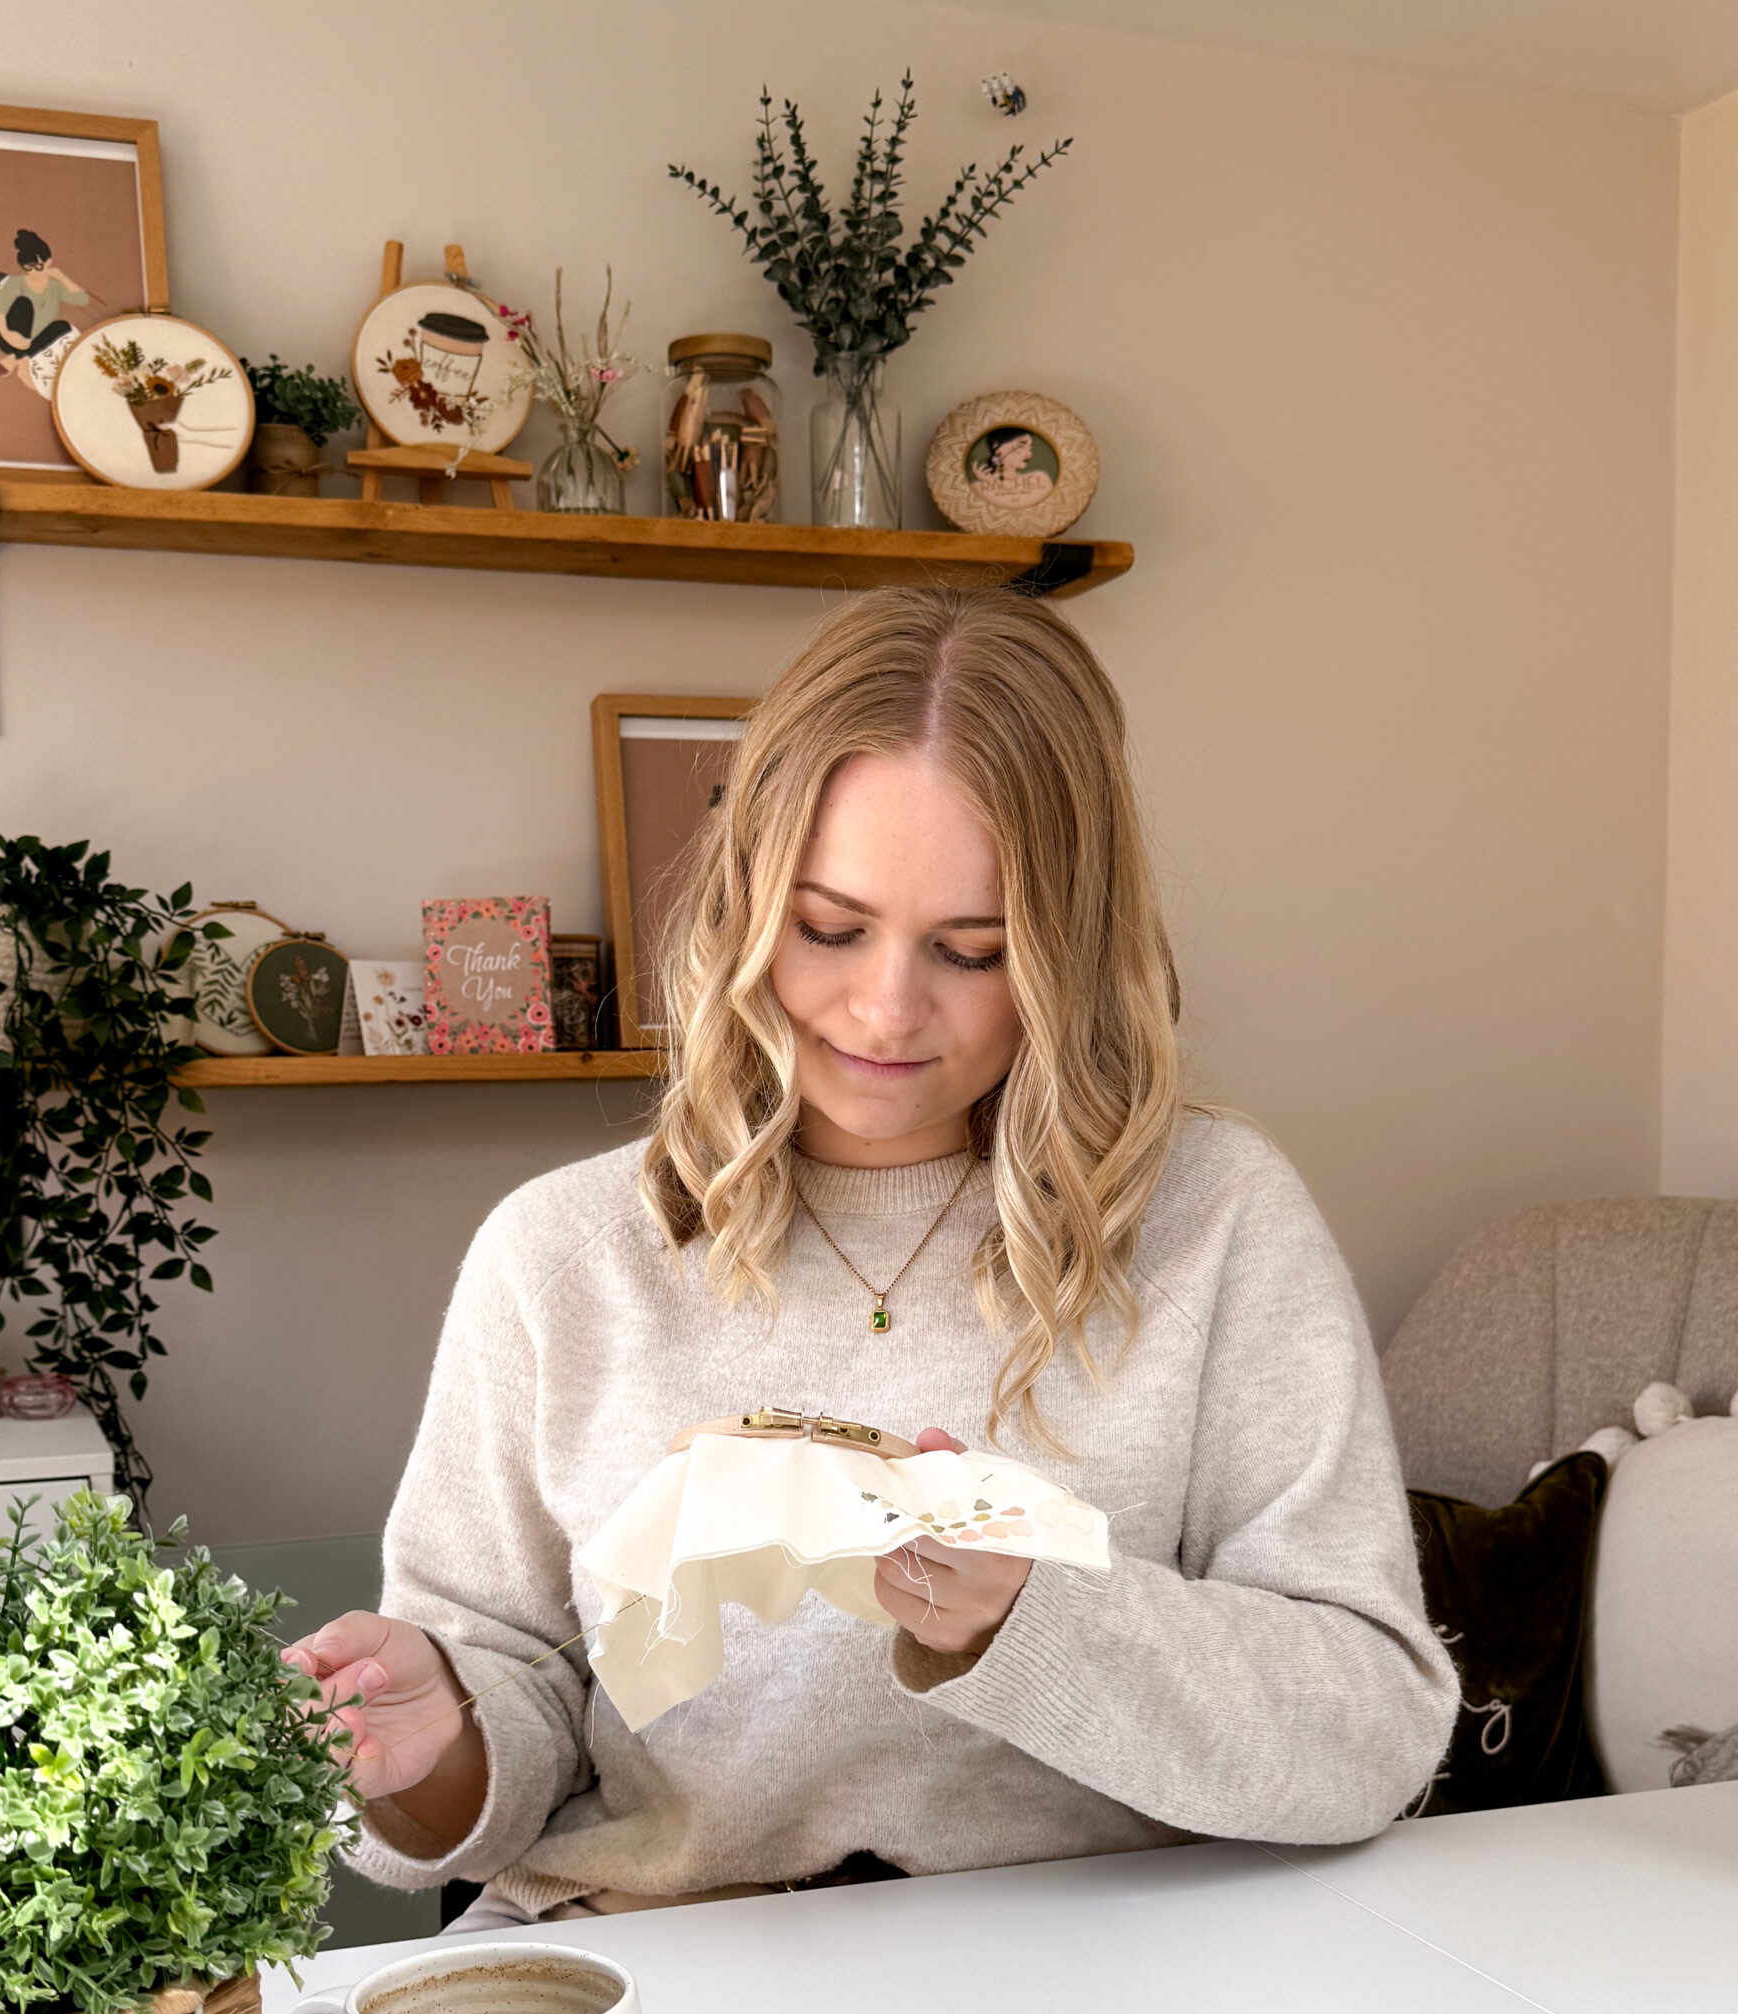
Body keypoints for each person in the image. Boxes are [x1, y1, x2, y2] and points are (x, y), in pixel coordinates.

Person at [289, 589, 1456, 1930]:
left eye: (974, 951)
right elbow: (494, 1741)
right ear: (741, 907)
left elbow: (1368, 1730)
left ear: (1071, 960)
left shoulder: (1219, 1220)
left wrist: (1037, 1627)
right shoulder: (563, 1255)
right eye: (830, 929)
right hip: (663, 1963)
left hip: (1097, 1986)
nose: (888, 1011)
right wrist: (441, 1740)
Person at [0, 228, 89, 375]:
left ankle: (16, 360)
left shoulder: (55, 287)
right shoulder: (15, 283)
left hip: (35, 342)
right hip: (10, 337)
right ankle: (16, 356)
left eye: (38, 266)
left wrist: (61, 276)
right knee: (23, 303)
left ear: (48, 262)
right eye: (28, 268)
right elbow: (0, 316)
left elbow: (82, 300)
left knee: (62, 326)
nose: (34, 272)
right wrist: (9, 335)